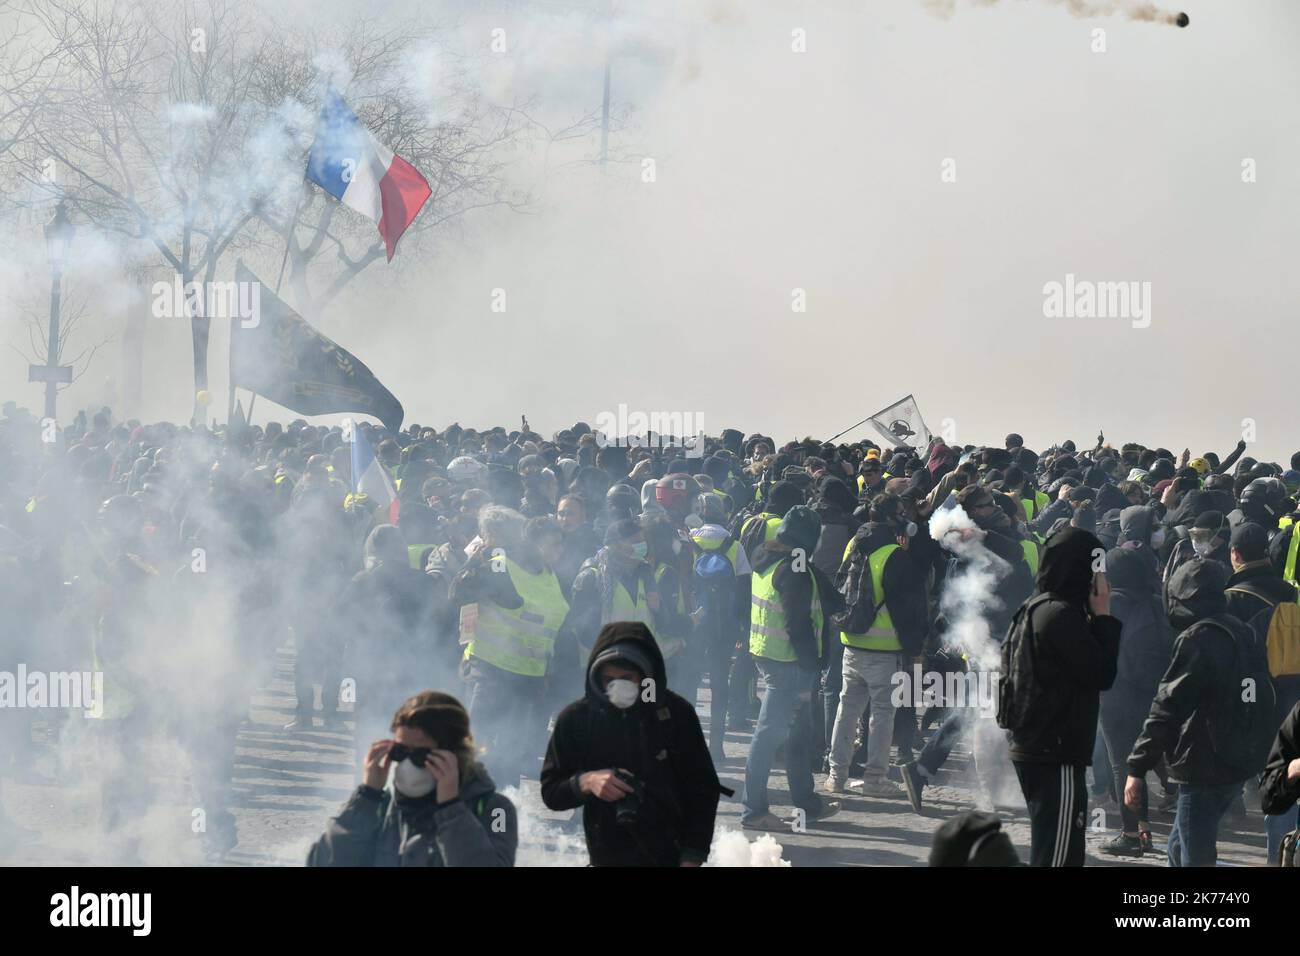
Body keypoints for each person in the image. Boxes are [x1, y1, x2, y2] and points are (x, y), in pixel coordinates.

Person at [540, 622, 725, 866]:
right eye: (608, 679)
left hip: (668, 855)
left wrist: (693, 855)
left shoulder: (675, 714)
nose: (617, 686)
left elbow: (703, 790)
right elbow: (551, 791)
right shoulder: (576, 719)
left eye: (627, 678)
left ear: (646, 675)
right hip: (605, 855)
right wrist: (587, 782)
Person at [1124, 559, 1266, 867]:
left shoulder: (1198, 638)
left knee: (1195, 855)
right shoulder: (1244, 630)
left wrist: (1137, 768)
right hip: (1238, 760)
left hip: (1201, 764)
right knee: (1180, 844)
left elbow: (1167, 707)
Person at [1000, 528, 1121, 866]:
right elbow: (1102, 673)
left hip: (1037, 745)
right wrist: (1104, 616)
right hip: (1056, 751)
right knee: (1060, 855)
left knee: (1052, 849)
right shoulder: (1061, 615)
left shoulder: (1036, 606)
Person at [308, 691, 516, 866]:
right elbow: (323, 861)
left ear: (452, 753)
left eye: (419, 756)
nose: (407, 764)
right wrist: (367, 797)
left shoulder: (497, 810)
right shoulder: (380, 808)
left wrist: (451, 811)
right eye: (400, 752)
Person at [742, 505, 842, 830]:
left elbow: (822, 595)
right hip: (789, 664)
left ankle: (806, 804)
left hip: (771, 655)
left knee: (797, 733)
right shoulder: (793, 569)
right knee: (769, 735)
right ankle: (754, 810)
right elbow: (797, 622)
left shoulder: (768, 557)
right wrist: (809, 671)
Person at [825, 493, 927, 796]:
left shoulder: (854, 543)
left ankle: (836, 776)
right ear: (891, 517)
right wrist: (915, 649)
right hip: (885, 650)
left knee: (847, 709)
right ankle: (875, 779)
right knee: (883, 714)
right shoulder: (894, 555)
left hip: (852, 642)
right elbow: (909, 609)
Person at [1097, 547, 1173, 857]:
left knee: (1122, 765)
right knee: (1147, 755)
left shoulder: (1109, 606)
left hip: (1115, 696)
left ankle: (1130, 833)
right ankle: (1144, 827)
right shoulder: (1157, 602)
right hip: (1153, 693)